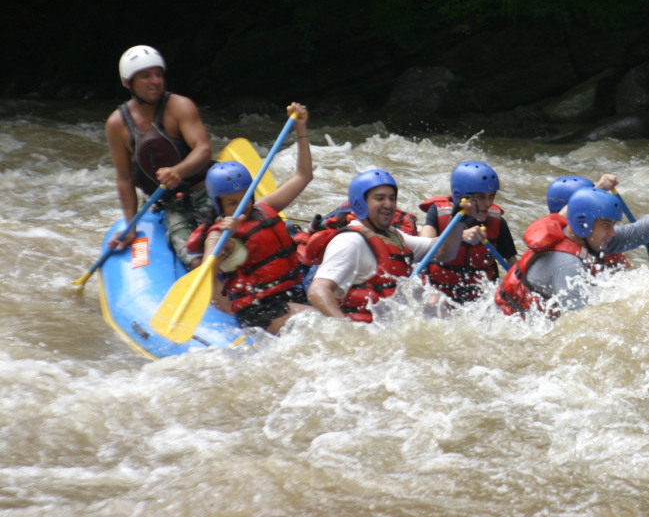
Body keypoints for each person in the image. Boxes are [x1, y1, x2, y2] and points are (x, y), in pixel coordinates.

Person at [186, 103, 313, 335]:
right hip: (259, 310)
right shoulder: (218, 234)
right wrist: (227, 239)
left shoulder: (264, 209)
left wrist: (300, 129)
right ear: (219, 206)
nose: (241, 206)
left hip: (291, 295)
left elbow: (304, 176)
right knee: (323, 325)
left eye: (245, 198)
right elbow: (206, 274)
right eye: (232, 203)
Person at [495, 187, 649, 319]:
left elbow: (637, 233)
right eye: (606, 225)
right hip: (508, 328)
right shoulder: (567, 265)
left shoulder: (584, 237)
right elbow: (582, 325)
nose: (612, 232)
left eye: (613, 225)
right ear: (583, 223)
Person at [305, 169, 471, 322]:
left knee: (438, 301)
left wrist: (456, 221)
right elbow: (318, 291)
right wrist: (344, 330)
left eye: (392, 198)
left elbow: (443, 252)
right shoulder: (350, 241)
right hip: (364, 328)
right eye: (380, 198)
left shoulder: (393, 236)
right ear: (359, 203)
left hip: (393, 324)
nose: (389, 204)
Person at [105, 45, 214, 268]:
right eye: (146, 76)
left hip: (206, 189)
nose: (155, 81)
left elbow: (203, 149)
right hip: (172, 204)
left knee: (237, 238)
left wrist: (178, 171)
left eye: (158, 74)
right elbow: (125, 178)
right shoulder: (117, 124)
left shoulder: (180, 106)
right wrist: (130, 225)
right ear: (128, 83)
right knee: (192, 259)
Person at [418, 161, 518, 303]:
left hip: (478, 300)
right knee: (434, 301)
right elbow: (423, 247)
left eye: (491, 196)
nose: (488, 203)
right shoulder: (438, 212)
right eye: (481, 197)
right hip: (439, 292)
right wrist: (458, 236)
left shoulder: (497, 221)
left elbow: (513, 267)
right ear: (461, 197)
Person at [545, 173, 631, 270]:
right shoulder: (554, 249)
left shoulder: (602, 241)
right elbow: (555, 222)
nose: (612, 233)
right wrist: (598, 189)